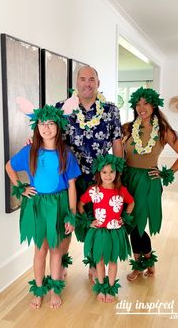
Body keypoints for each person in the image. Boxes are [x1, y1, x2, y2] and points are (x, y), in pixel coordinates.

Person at [5, 105, 81, 309]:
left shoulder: (65, 153)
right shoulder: (30, 150)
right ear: (36, 126)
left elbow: (72, 186)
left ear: (59, 126)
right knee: (40, 249)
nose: (46, 128)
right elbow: (9, 166)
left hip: (59, 204)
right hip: (38, 204)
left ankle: (55, 290)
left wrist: (71, 214)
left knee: (56, 249)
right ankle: (39, 290)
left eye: (50, 123)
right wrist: (20, 187)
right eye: (41, 124)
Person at [56, 66, 123, 279]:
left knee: (99, 223)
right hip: (69, 179)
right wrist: (33, 141)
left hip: (100, 179)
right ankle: (62, 263)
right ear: (76, 82)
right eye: (83, 79)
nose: (87, 83)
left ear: (98, 83)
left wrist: (119, 175)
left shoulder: (111, 111)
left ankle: (96, 265)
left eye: (91, 79)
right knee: (67, 222)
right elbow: (46, 133)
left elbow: (117, 144)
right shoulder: (62, 108)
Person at [122, 87, 178, 281]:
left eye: (145, 103)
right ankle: (144, 263)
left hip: (148, 181)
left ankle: (142, 264)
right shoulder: (128, 127)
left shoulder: (164, 131)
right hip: (128, 179)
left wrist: (165, 173)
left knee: (139, 224)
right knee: (130, 223)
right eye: (138, 103)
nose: (141, 107)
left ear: (154, 105)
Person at [78, 154, 135, 302]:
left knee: (113, 261)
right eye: (104, 172)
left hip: (115, 232)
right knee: (100, 260)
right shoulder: (94, 190)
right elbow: (81, 204)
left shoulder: (121, 190)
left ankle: (110, 288)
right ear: (99, 173)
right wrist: (88, 221)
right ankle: (101, 287)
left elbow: (131, 202)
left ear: (117, 173)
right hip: (100, 232)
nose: (108, 175)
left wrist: (125, 216)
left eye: (111, 172)